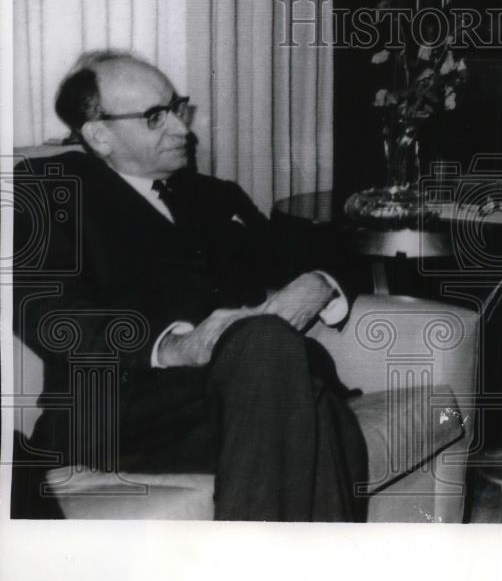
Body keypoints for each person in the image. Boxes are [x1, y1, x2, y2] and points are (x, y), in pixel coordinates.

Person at [12, 51, 367, 521]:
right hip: (119, 412)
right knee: (301, 392)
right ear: (100, 135)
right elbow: (47, 311)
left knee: (298, 392)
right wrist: (174, 346)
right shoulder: (51, 190)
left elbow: (326, 248)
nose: (183, 129)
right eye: (156, 118)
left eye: (177, 108)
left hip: (240, 394)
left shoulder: (215, 197)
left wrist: (317, 284)